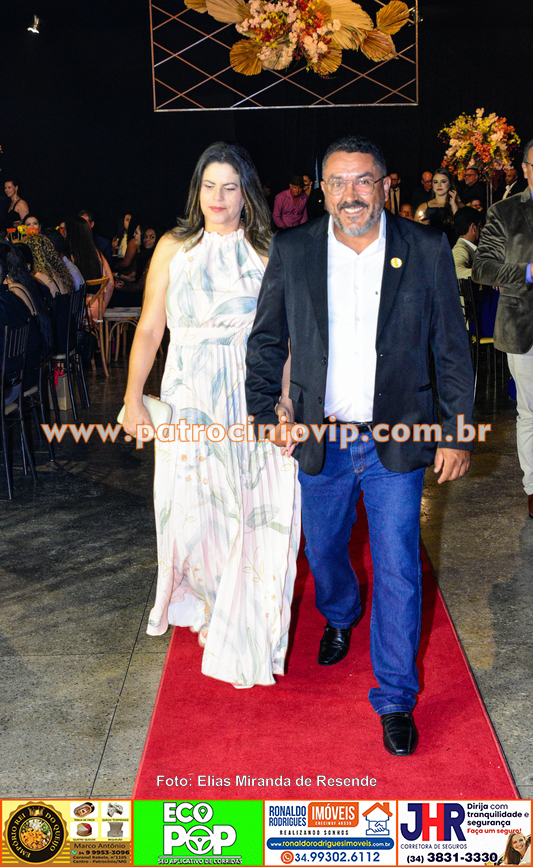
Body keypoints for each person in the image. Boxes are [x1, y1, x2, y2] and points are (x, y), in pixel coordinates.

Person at [245, 135, 473, 754]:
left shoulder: (424, 248)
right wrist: (266, 412)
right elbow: (266, 340)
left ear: (385, 186)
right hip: (321, 435)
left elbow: (452, 348)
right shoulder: (294, 250)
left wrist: (456, 431)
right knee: (323, 551)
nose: (351, 194)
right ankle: (342, 612)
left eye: (363, 180)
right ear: (322, 190)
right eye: (339, 182)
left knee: (398, 564)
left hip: (396, 436)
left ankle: (395, 697)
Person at [122, 142, 300, 688]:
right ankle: (209, 601)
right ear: (196, 190)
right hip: (189, 393)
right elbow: (150, 327)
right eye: (208, 186)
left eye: (229, 187)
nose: (217, 198)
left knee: (248, 502)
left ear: (247, 194)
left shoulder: (268, 251)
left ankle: (241, 610)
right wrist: (133, 397)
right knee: (196, 508)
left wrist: (285, 401)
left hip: (249, 394)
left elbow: (284, 339)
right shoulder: (173, 247)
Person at [473, 137, 533, 518]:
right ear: (525, 169)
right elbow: (482, 267)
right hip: (524, 326)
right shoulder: (505, 212)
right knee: (531, 411)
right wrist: (527, 272)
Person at [65, 215, 114, 314]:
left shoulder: (68, 256)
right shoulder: (97, 253)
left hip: (76, 309)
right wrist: (102, 306)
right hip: (96, 306)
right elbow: (111, 283)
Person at [415, 168, 462, 245]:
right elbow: (415, 234)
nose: (439, 185)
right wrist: (421, 227)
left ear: (450, 183)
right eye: (435, 182)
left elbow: (462, 229)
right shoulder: (424, 207)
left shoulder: (459, 205)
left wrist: (453, 204)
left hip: (453, 248)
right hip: (431, 247)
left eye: (443, 181)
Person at [452, 207, 482, 280]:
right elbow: (457, 272)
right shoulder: (460, 249)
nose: (481, 230)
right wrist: (488, 274)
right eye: (479, 226)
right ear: (473, 227)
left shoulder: (468, 248)